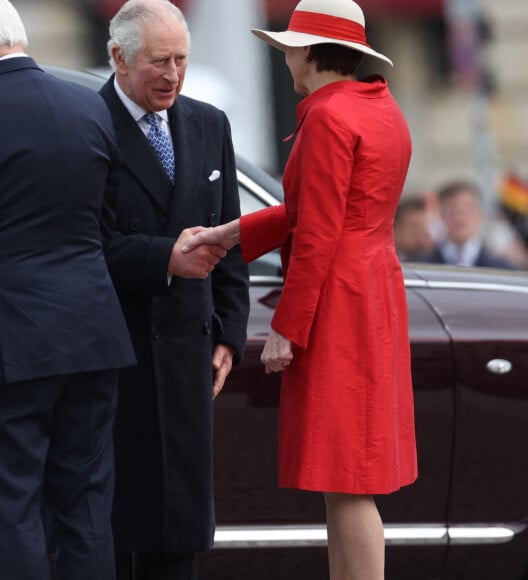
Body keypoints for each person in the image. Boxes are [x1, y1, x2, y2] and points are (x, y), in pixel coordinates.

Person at [183, 1, 418, 578]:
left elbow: (314, 231)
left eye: (290, 46)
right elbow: (316, 212)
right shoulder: (379, 107)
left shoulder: (329, 117)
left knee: (349, 476)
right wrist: (231, 233)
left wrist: (288, 327)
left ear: (311, 52)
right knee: (349, 472)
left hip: (339, 300)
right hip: (372, 290)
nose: (286, 56)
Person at [99, 1, 250, 579]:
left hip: (190, 354)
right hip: (122, 353)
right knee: (121, 525)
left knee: (181, 530)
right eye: (157, 61)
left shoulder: (209, 124)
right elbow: (90, 245)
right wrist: (166, 256)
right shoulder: (90, 128)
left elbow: (233, 237)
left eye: (181, 60)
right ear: (118, 58)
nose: (172, 75)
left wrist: (229, 335)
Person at [0, 1, 136, 579]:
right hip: (95, 332)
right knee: (85, 504)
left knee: (13, 503)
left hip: (15, 338)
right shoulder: (89, 105)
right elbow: (107, 223)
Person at [422, 180, 515, 268]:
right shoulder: (422, 267)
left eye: (468, 209)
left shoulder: (502, 269)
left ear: (480, 214)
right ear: (441, 215)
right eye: (453, 209)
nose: (460, 216)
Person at [394, 195, 435, 261]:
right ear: (395, 229)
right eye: (414, 228)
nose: (421, 237)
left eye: (423, 229)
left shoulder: (433, 258)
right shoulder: (382, 259)